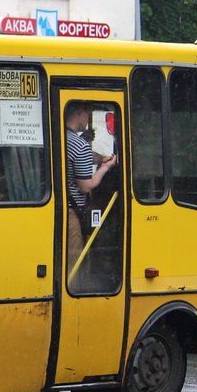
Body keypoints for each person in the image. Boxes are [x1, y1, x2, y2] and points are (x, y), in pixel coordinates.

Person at [65, 101, 117, 273]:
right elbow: (86, 186)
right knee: (74, 264)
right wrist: (105, 168)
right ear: (81, 111)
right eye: (89, 114)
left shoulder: (62, 138)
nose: (89, 119)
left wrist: (99, 159)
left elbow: (78, 160)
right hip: (72, 213)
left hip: (60, 208)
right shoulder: (80, 146)